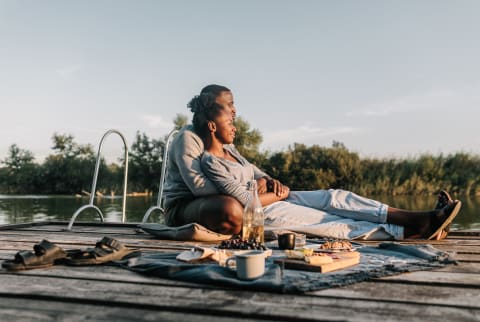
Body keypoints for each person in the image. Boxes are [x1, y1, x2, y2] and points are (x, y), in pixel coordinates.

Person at [186, 88, 461, 240]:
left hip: (273, 198)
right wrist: (263, 192)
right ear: (212, 122)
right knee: (327, 221)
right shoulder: (201, 152)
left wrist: (269, 183)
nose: (235, 117)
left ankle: (417, 219)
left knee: (334, 197)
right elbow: (238, 197)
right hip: (262, 211)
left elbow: (256, 177)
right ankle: (413, 229)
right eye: (230, 112)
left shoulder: (231, 150)